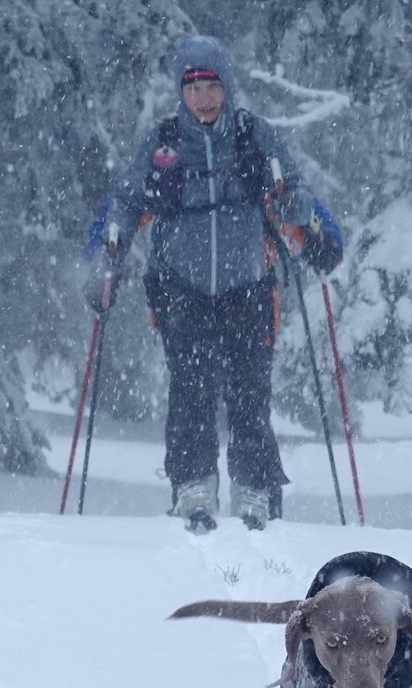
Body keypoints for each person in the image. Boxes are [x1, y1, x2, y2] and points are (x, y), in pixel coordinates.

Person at [85, 35, 342, 532]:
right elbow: (122, 206)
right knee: (191, 390)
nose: (203, 96)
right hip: (181, 288)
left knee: (250, 392)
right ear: (181, 92)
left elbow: (299, 198)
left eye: (212, 85)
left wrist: (305, 224)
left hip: (249, 286)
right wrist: (102, 262)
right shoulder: (163, 146)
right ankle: (193, 485)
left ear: (227, 87)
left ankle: (255, 489)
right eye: (193, 86)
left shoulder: (253, 137)